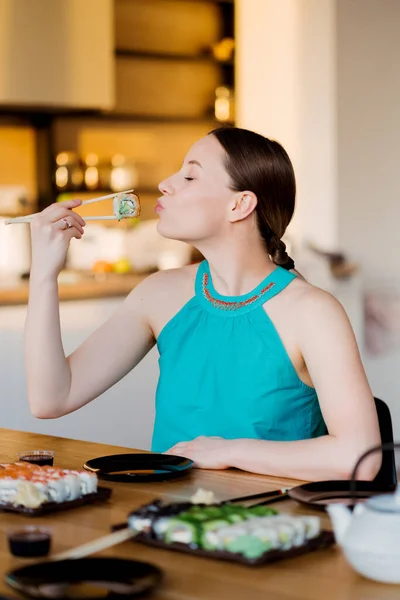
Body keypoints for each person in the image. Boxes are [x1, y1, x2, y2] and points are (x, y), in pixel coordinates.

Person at [25, 127, 381, 481]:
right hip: (171, 520)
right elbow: (52, 398)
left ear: (240, 204)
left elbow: (360, 459)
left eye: (190, 175)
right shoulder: (160, 294)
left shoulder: (313, 312)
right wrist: (44, 272)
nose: (166, 183)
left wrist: (228, 450)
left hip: (275, 524)